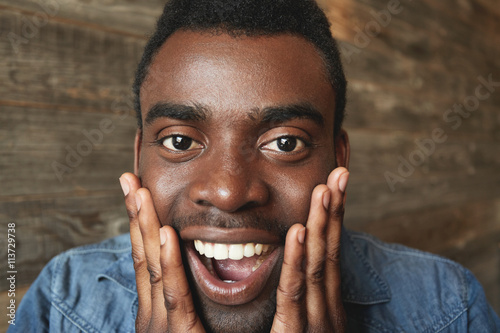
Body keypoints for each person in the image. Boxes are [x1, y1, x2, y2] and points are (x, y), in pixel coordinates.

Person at [11, 0, 500, 332]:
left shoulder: (447, 306)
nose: (227, 192)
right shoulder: (63, 301)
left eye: (285, 142)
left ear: (339, 159)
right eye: (180, 140)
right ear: (139, 157)